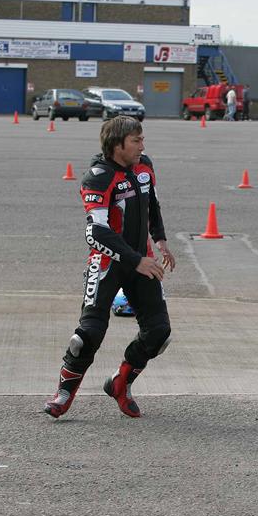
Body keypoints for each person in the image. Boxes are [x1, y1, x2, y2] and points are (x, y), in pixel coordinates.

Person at [44, 116, 176, 419]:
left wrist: (161, 240)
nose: (143, 146)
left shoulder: (145, 166)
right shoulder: (98, 177)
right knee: (87, 335)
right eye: (136, 141)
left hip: (141, 261)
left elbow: (151, 204)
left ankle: (121, 382)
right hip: (108, 261)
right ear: (117, 145)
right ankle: (64, 393)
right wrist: (136, 259)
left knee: (159, 333)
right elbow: (96, 232)